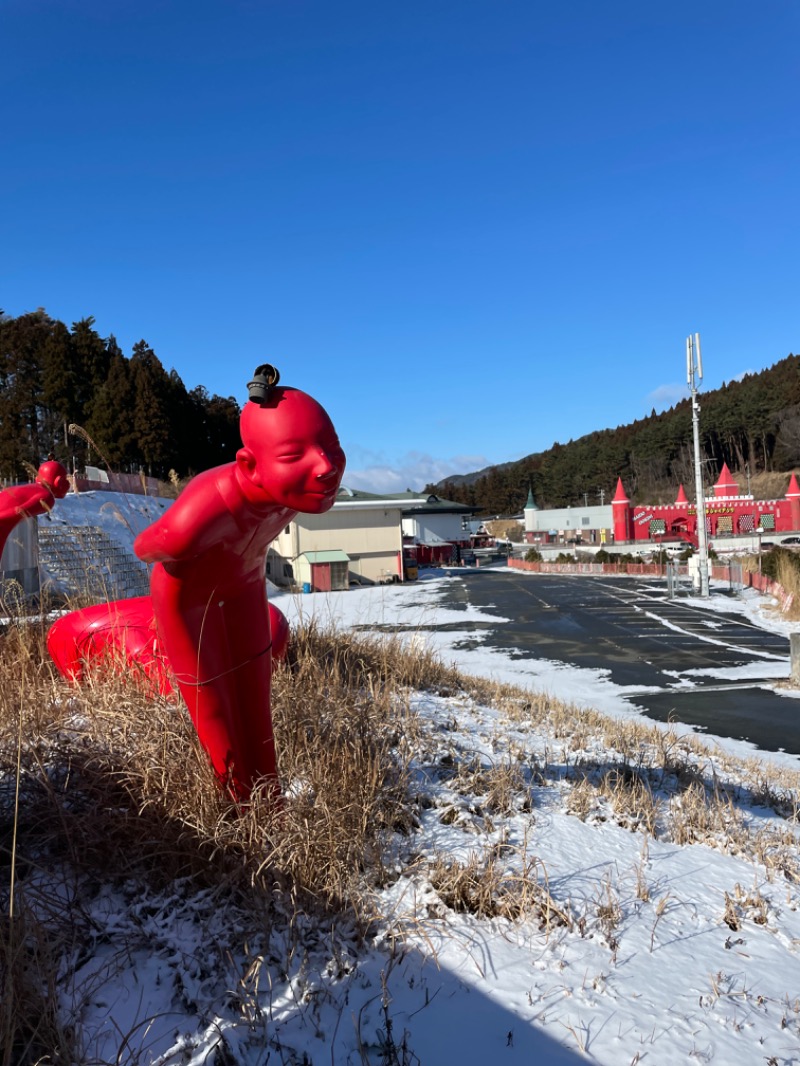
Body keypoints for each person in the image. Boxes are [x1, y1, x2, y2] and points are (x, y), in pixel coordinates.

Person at [0, 460, 70, 561]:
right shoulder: (47, 497)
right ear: (58, 481)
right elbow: (20, 511)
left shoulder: (27, 488)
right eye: (65, 478)